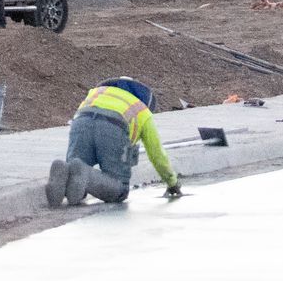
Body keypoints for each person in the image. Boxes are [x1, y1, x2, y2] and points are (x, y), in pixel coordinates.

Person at [47, 77, 184, 207]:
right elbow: (156, 153)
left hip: (82, 121)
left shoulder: (97, 93)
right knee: (119, 189)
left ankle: (66, 169)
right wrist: (172, 182)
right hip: (114, 127)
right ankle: (85, 173)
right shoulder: (142, 109)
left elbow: (82, 116)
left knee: (75, 177)